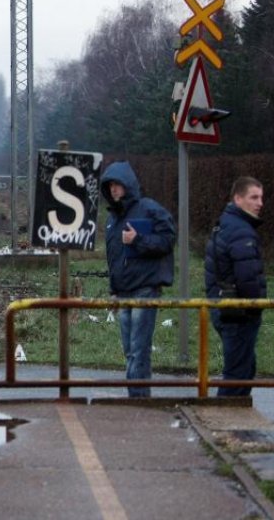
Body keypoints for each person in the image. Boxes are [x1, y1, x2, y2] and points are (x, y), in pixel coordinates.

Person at [100, 161, 175, 397]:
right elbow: (113, 259)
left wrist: (139, 240)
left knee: (138, 349)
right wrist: (113, 289)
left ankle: (139, 398)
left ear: (128, 185)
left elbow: (168, 239)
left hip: (144, 289)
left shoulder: (149, 208)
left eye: (118, 184)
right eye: (110, 185)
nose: (114, 189)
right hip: (123, 292)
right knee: (129, 349)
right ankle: (138, 395)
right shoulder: (112, 219)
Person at [204, 176, 266, 397]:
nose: (260, 203)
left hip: (223, 308)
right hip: (239, 314)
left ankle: (236, 421)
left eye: (261, 198)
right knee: (237, 375)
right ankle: (226, 424)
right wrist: (256, 307)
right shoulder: (241, 231)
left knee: (242, 370)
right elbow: (248, 279)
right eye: (254, 197)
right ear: (238, 199)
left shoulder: (225, 223)